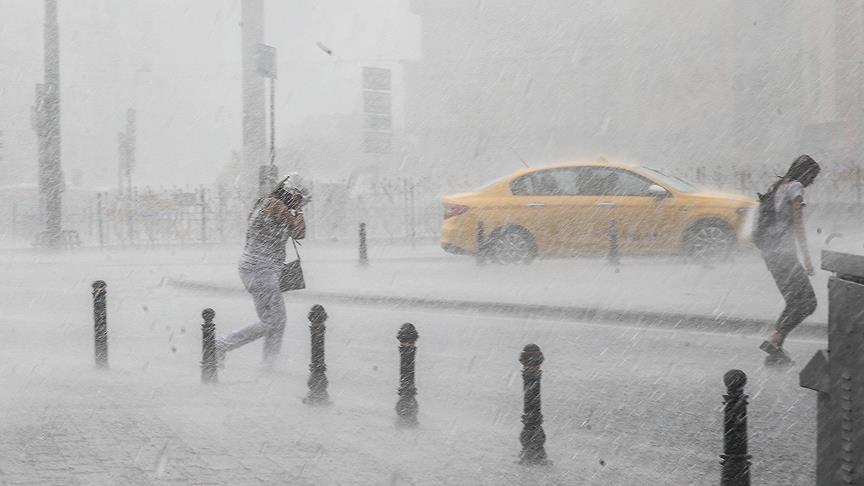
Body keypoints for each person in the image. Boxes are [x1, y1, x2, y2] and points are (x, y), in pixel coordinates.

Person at [216, 177, 306, 369]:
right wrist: (298, 208)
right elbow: (299, 232)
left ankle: (269, 364)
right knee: (273, 321)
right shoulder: (276, 205)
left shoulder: (264, 202)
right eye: (297, 196)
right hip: (262, 269)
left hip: (254, 267)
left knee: (274, 321)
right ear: (290, 194)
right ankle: (221, 345)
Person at [758, 155, 821, 366]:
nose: (813, 182)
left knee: (795, 301)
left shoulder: (780, 186)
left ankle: (775, 345)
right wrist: (807, 258)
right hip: (783, 254)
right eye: (813, 176)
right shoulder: (795, 188)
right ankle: (774, 339)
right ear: (807, 174)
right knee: (808, 302)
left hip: (771, 253)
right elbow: (798, 224)